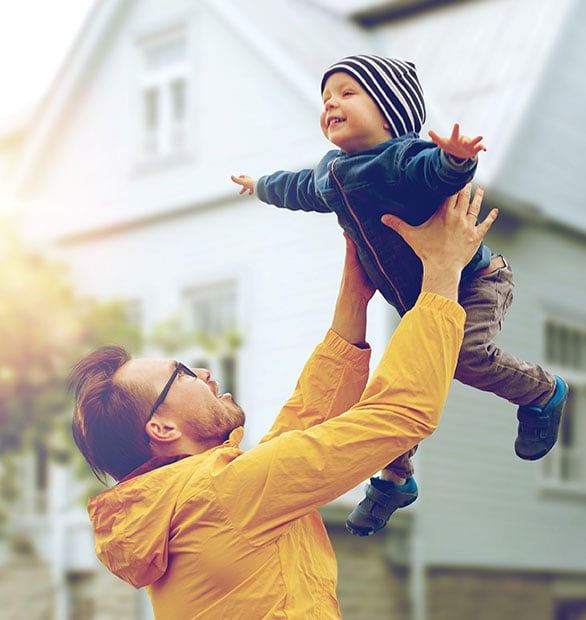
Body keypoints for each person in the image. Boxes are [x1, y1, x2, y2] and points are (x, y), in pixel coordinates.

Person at [71, 185, 495, 619]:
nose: (201, 373)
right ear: (162, 429)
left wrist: (354, 290)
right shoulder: (221, 495)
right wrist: (443, 270)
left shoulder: (184, 505)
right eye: (180, 373)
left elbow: (304, 425)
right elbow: (400, 414)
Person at [231, 54, 568, 536]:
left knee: (466, 358)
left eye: (347, 93)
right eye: (325, 98)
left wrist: (455, 158)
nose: (331, 104)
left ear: (390, 111)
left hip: (476, 280)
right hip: (421, 303)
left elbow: (434, 171)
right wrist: (261, 185)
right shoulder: (330, 172)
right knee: (398, 385)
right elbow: (297, 186)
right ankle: (395, 479)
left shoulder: (402, 157)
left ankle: (542, 391)